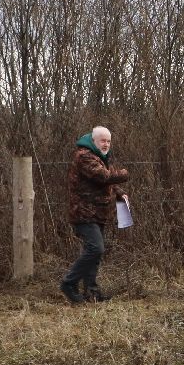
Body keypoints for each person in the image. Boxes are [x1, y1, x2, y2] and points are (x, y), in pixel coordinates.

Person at [61, 126, 130, 304]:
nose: (106, 144)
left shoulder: (99, 156)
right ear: (93, 141)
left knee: (95, 252)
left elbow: (105, 183)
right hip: (84, 213)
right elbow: (103, 176)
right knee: (95, 248)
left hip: (98, 213)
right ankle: (69, 283)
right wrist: (124, 173)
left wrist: (120, 193)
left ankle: (91, 292)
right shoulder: (84, 156)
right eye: (102, 141)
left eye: (108, 141)